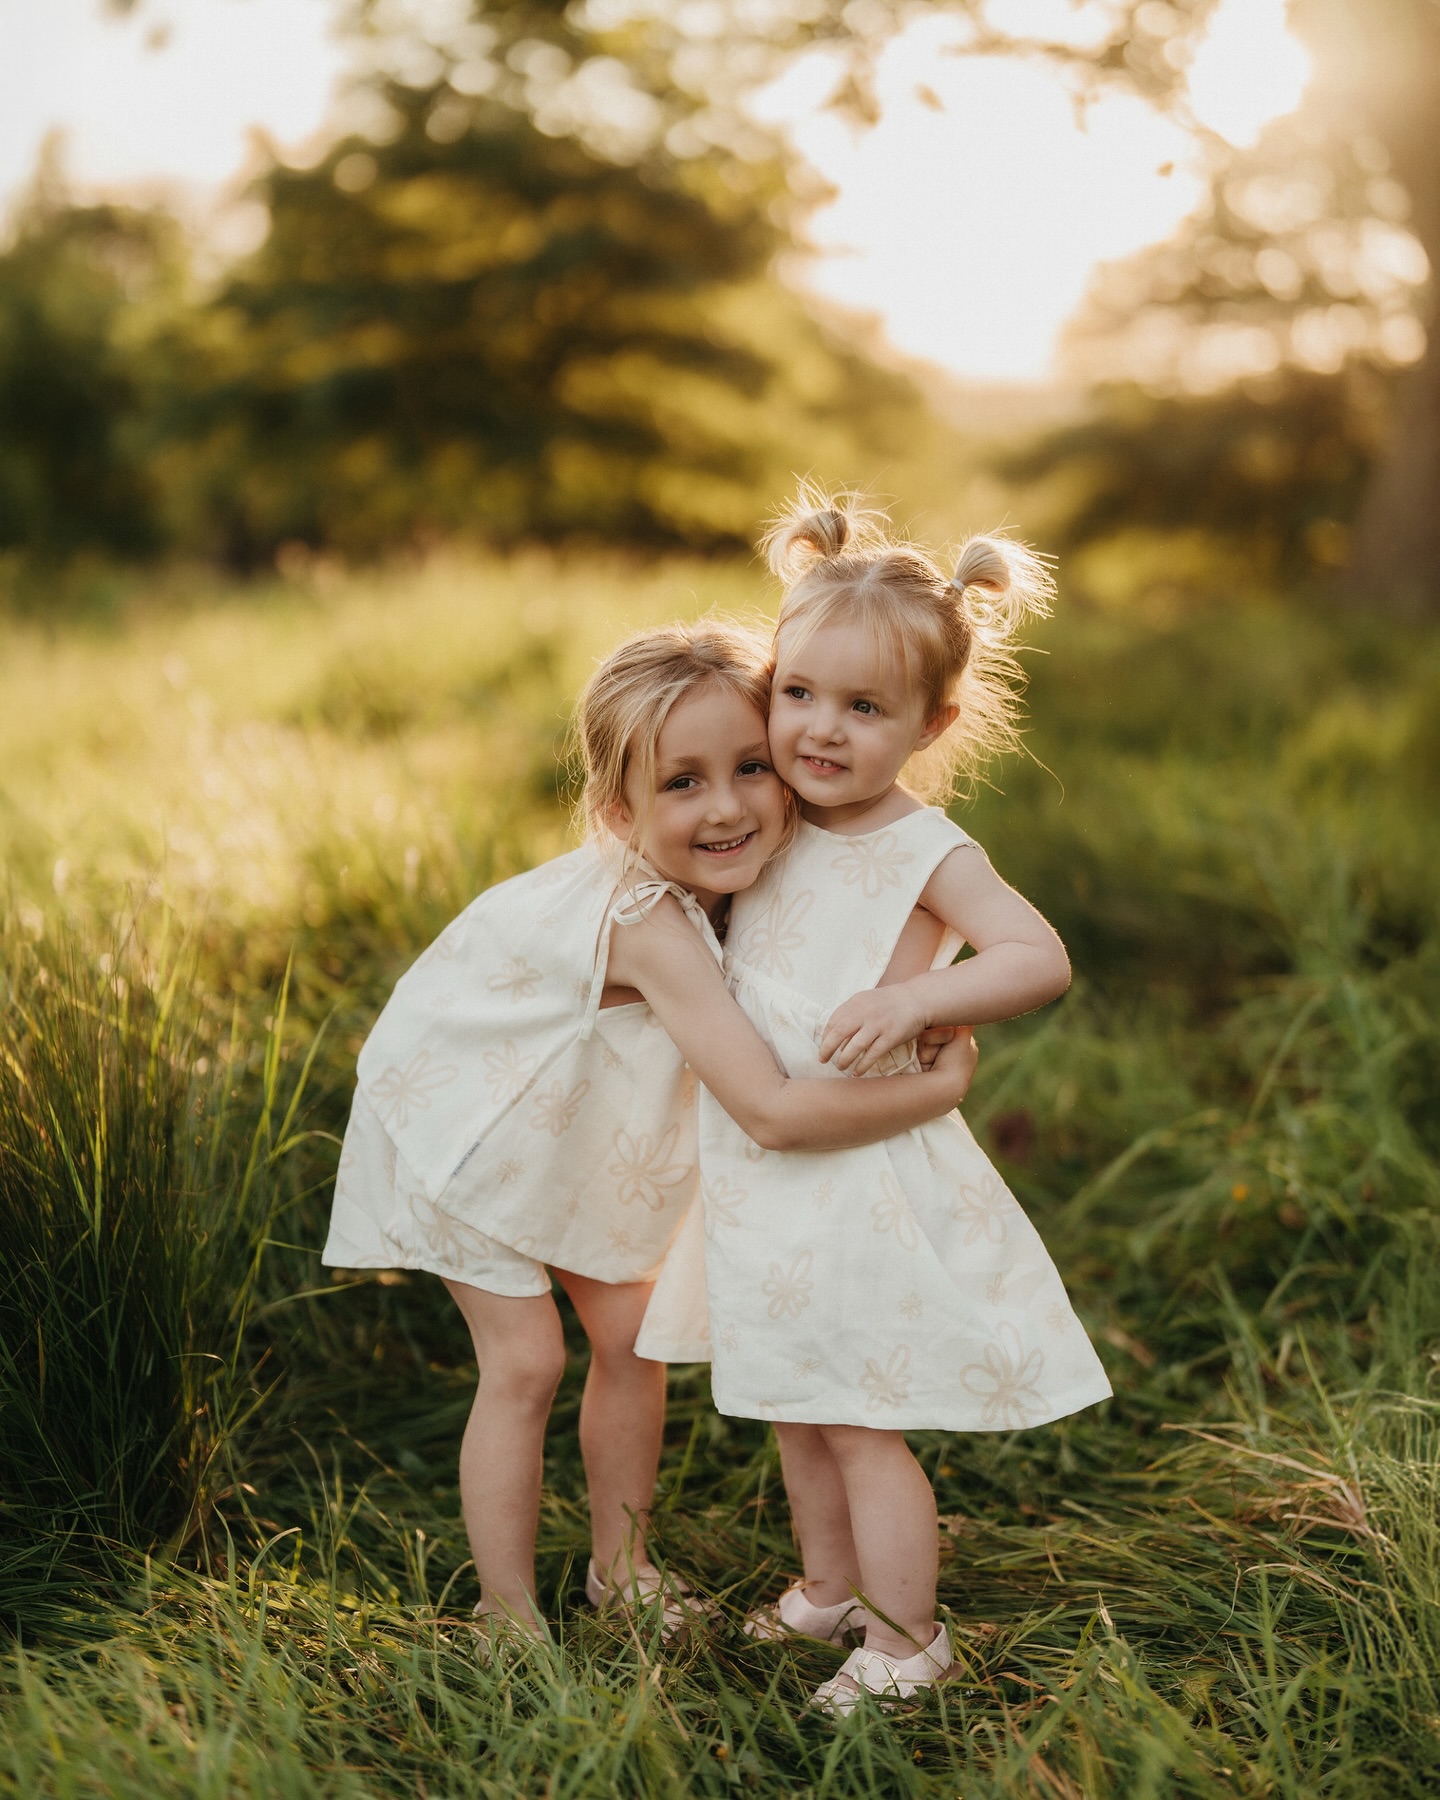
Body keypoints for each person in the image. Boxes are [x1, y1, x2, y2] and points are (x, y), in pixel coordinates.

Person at [322, 618, 977, 1643]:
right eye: (682, 784)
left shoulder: (741, 870)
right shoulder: (648, 921)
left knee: (630, 1338)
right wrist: (935, 1092)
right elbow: (766, 1105)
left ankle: (619, 1570)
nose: (725, 807)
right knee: (529, 1360)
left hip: (568, 1131)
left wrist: (914, 991)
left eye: (750, 767)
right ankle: (505, 1615)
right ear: (618, 810)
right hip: (454, 1123)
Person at [689, 493, 1112, 1713]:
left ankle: (908, 1634)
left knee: (862, 1416)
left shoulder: (924, 848)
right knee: (795, 1399)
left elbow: (1038, 958)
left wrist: (926, 1006)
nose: (821, 731)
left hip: (863, 1175)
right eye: (801, 693)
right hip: (771, 1167)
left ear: (933, 722)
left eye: (864, 709)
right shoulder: (768, 816)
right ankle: (828, 1588)